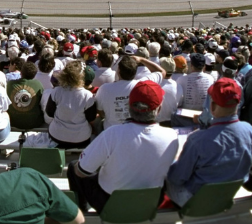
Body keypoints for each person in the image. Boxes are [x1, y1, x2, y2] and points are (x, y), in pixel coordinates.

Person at [67, 81, 179, 213]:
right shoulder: (172, 136)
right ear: (159, 109)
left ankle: (81, 213)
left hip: (110, 204)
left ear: (129, 106)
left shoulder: (112, 134)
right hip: (150, 201)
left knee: (73, 167)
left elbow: (81, 171)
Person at [166, 78, 252, 207]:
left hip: (197, 199)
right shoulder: (249, 130)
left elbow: (177, 178)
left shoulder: (197, 140)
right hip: (229, 193)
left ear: (213, 106)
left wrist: (173, 161)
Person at [46, 60, 98, 148]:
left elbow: (49, 113)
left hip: (57, 136)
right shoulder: (87, 95)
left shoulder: (57, 91)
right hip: (81, 138)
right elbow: (91, 118)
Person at [6, 60, 46, 131]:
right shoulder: (38, 84)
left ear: (21, 72)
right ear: (34, 75)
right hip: (34, 122)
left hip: (13, 122)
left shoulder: (10, 84)